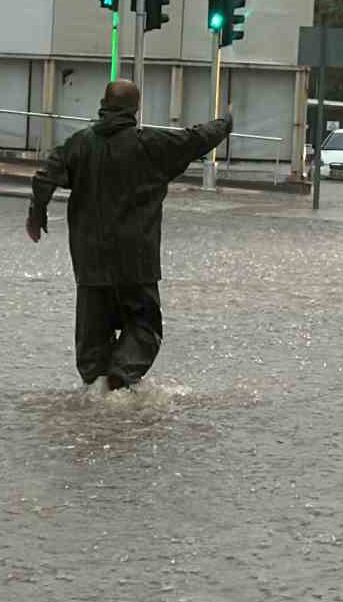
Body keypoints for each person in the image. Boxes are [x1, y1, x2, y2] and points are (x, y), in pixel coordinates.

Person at [26, 79, 232, 391]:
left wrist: (36, 213)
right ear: (136, 109)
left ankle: (95, 391)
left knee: (92, 336)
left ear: (102, 104)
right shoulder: (151, 145)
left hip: (90, 261)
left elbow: (44, 178)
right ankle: (119, 378)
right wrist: (226, 122)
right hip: (136, 261)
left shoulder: (78, 143)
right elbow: (197, 139)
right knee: (145, 327)